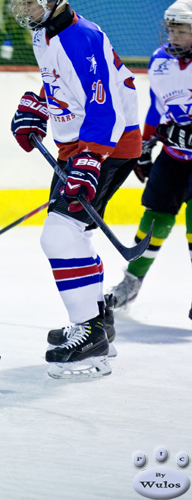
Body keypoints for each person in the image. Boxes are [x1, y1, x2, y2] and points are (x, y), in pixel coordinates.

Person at [9, 0, 142, 378]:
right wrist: (38, 104)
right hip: (79, 147)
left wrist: (91, 159)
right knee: (73, 234)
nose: (20, 6)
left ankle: (92, 340)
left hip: (106, 146)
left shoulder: (82, 36)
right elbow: (61, 78)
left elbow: (107, 106)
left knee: (60, 236)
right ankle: (96, 319)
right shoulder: (46, 32)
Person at [106, 0, 192, 322]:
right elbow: (157, 108)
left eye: (181, 30)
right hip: (172, 157)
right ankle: (131, 284)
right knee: (152, 221)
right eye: (170, 29)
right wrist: (145, 144)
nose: (173, 36)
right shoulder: (160, 60)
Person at [0, 0, 37, 66]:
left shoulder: (32, 34)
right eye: (12, 3)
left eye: (19, 4)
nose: (16, 7)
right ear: (6, 7)